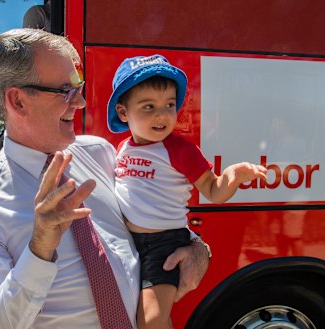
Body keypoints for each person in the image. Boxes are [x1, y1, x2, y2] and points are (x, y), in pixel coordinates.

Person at [0, 29, 210, 329]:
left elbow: (145, 210)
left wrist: (197, 247)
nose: (81, 102)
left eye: (79, 87)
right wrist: (39, 248)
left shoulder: (99, 152)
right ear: (18, 101)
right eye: (66, 91)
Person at [107, 54, 268, 329]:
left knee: (151, 320)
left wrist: (232, 176)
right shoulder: (121, 149)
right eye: (148, 107)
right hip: (126, 244)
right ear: (124, 113)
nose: (162, 114)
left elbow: (213, 190)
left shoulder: (181, 150)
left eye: (169, 105)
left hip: (164, 246)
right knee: (145, 318)